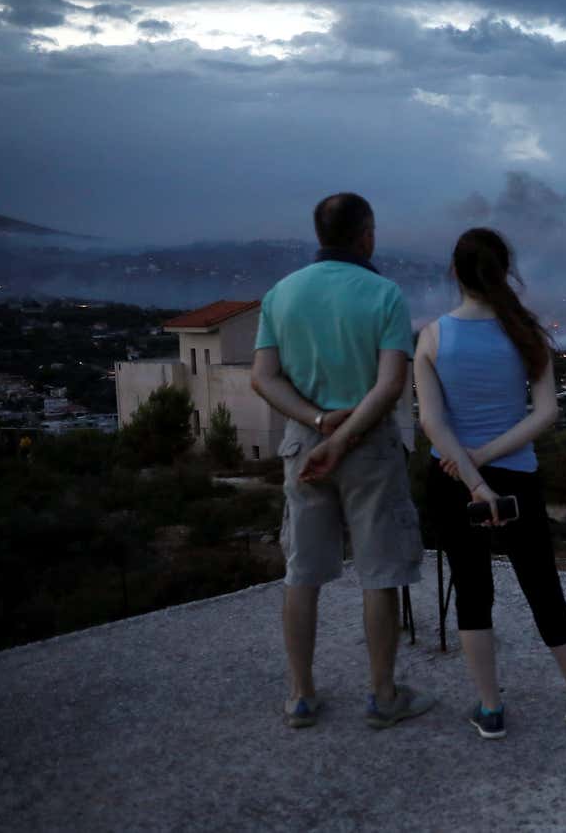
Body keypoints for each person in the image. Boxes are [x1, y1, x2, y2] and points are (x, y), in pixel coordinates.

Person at [415, 226, 566, 741]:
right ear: (505, 271)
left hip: (451, 479)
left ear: (456, 273)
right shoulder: (525, 333)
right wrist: (489, 458)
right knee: (541, 585)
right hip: (517, 477)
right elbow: (547, 413)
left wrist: (470, 470)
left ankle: (490, 709)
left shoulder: (434, 336)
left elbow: (432, 424)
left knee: (471, 590)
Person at [250, 192, 434, 730]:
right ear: (367, 234)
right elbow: (390, 383)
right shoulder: (384, 295)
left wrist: (316, 423)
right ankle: (382, 696)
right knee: (379, 573)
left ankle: (301, 696)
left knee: (301, 573)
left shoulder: (281, 294)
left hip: (304, 449)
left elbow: (262, 378)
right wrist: (346, 433)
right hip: (369, 448)